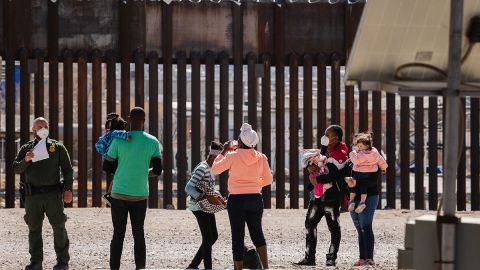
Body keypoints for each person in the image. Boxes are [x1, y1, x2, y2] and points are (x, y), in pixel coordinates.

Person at [103, 107, 163, 270]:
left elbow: (107, 166)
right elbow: (158, 170)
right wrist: (144, 172)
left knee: (118, 235)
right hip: (140, 195)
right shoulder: (153, 142)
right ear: (144, 121)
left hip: (119, 194)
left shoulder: (119, 139)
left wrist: (124, 169)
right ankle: (140, 268)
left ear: (129, 119)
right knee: (138, 233)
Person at [14, 117, 73, 270]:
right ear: (33, 129)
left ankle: (62, 261)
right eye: (39, 126)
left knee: (59, 227)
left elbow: (67, 170)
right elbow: (16, 168)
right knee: (34, 229)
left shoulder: (57, 147)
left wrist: (68, 189)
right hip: (33, 196)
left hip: (53, 195)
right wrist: (26, 160)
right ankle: (36, 262)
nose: (43, 128)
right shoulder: (26, 148)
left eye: (45, 126)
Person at [211, 123, 273, 270]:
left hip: (236, 200)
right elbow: (269, 180)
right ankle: (266, 267)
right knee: (257, 233)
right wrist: (255, 185)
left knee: (237, 236)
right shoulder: (261, 157)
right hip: (255, 199)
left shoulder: (232, 156)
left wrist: (224, 151)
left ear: (240, 141)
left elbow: (215, 169)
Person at [295, 125, 348, 267]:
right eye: (324, 133)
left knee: (333, 228)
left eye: (327, 134)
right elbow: (317, 166)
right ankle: (309, 257)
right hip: (317, 196)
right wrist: (310, 167)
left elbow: (335, 175)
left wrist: (318, 179)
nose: (324, 136)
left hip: (331, 197)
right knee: (309, 224)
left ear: (336, 138)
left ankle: (331, 258)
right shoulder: (325, 150)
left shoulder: (341, 153)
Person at [185, 141, 226, 270]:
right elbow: (188, 187)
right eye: (220, 158)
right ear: (214, 157)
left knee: (213, 236)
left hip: (205, 205)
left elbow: (209, 188)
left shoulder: (210, 168)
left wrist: (217, 197)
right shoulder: (202, 168)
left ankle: (193, 265)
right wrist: (206, 196)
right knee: (208, 238)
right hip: (198, 206)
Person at [345, 135, 383, 267]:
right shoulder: (353, 158)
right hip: (353, 196)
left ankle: (369, 258)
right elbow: (347, 175)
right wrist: (350, 182)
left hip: (369, 196)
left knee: (366, 226)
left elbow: (373, 180)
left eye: (359, 144)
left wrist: (357, 182)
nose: (357, 147)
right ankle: (362, 258)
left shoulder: (373, 157)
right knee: (359, 228)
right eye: (356, 144)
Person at [95, 113, 131, 206]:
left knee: (117, 176)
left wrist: (104, 151)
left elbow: (98, 145)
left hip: (107, 158)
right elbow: (122, 134)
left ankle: (110, 194)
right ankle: (110, 194)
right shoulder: (115, 133)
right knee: (119, 175)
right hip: (114, 158)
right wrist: (128, 137)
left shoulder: (107, 134)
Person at [347, 132, 387, 213]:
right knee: (363, 188)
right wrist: (384, 168)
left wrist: (352, 153)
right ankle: (362, 202)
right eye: (357, 145)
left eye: (360, 146)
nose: (358, 147)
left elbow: (356, 161)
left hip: (359, 173)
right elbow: (381, 160)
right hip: (369, 174)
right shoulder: (375, 153)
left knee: (354, 187)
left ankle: (351, 201)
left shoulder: (361, 154)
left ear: (366, 146)